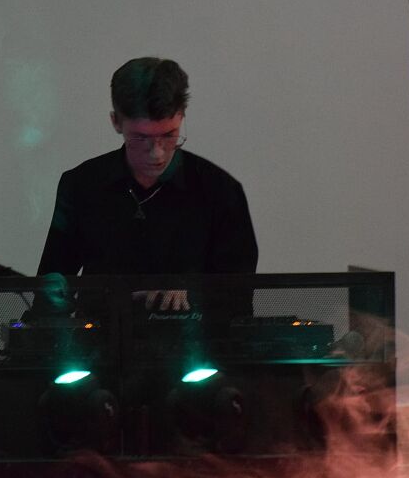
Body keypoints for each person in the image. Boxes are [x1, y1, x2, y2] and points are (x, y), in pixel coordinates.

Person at [37, 57, 257, 311]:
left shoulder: (220, 191)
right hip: (102, 334)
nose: (157, 154)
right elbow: (52, 282)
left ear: (181, 117)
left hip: (193, 334)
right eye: (141, 138)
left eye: (169, 135)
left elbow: (238, 297)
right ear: (116, 122)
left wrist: (191, 296)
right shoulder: (82, 184)